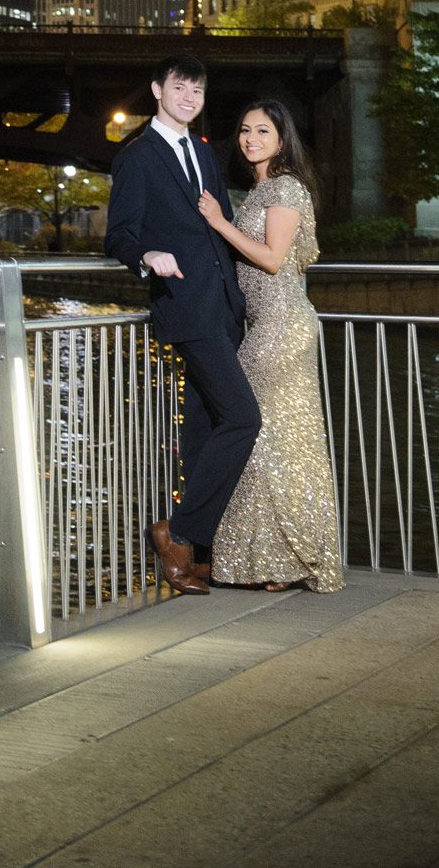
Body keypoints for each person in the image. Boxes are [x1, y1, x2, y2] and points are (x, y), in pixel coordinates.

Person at [104, 54, 260, 594]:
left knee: (204, 430)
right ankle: (177, 532)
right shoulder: (137, 157)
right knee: (243, 418)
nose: (189, 97)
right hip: (185, 307)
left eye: (197, 90)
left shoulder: (202, 151)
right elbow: (118, 235)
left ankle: (195, 554)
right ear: (157, 90)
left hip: (221, 308)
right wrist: (149, 254)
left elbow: (222, 228)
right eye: (180, 87)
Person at [198, 99, 344, 593]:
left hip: (281, 327)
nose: (250, 138)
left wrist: (219, 222)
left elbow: (275, 258)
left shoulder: (283, 187)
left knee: (264, 437)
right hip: (268, 326)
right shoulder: (260, 189)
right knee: (271, 439)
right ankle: (275, 560)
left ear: (282, 139)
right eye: (244, 130)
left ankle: (286, 558)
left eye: (262, 130)